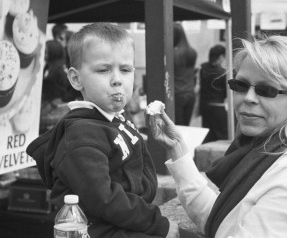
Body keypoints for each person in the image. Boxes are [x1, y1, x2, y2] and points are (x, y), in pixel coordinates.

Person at [148, 35, 287, 237]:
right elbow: (220, 222)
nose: (249, 98)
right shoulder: (268, 149)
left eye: (267, 90)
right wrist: (178, 150)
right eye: (241, 86)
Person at [27, 23, 179, 238]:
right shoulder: (81, 136)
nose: (117, 79)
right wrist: (156, 223)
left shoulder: (116, 118)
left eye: (125, 70)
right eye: (103, 70)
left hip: (127, 222)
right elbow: (104, 199)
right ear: (75, 79)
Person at [198, 44, 228, 143]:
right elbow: (225, 92)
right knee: (222, 135)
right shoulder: (222, 73)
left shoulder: (203, 68)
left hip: (204, 106)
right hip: (217, 106)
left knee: (207, 134)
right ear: (220, 57)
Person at [173, 22, 197, 126]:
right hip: (190, 94)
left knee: (178, 128)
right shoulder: (192, 52)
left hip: (177, 94)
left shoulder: (173, 54)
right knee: (186, 126)